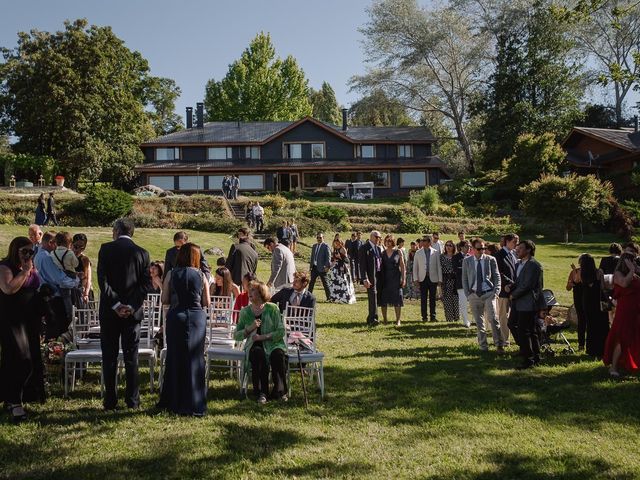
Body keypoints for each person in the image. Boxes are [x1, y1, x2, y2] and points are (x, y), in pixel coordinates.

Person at [97, 218, 152, 410]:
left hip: (110, 313)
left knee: (109, 357)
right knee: (131, 357)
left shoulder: (106, 249)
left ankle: (110, 400)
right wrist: (130, 306)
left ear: (116, 230)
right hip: (132, 314)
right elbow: (146, 285)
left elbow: (102, 282)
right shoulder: (143, 253)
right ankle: (133, 400)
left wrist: (116, 304)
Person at [158, 243, 210, 416]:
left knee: (175, 357)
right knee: (195, 358)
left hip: (176, 317)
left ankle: (173, 400)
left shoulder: (172, 274)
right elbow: (206, 302)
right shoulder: (201, 275)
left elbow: (164, 299)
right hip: (196, 318)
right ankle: (195, 401)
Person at [0, 237, 44, 421]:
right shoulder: (5, 267)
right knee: (20, 359)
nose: (28, 255)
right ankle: (14, 402)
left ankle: (14, 398)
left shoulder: (31, 267)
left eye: (30, 251)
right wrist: (25, 272)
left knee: (30, 359)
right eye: (24, 251)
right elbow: (8, 289)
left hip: (30, 320)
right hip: (11, 320)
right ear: (14, 250)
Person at [235, 281, 287, 404]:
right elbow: (236, 335)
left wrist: (263, 337)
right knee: (258, 354)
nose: (249, 292)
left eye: (253, 290)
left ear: (261, 293)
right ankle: (261, 392)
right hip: (254, 345)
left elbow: (281, 331)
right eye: (249, 290)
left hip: (273, 343)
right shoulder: (245, 312)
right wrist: (249, 328)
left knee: (278, 355)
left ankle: (279, 391)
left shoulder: (272, 309)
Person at [33, 231, 79, 338]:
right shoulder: (46, 257)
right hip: (55, 297)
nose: (57, 247)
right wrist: (76, 281)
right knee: (59, 329)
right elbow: (59, 279)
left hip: (49, 295)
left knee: (55, 329)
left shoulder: (39, 256)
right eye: (56, 243)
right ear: (50, 242)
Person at [462, 238, 504, 354]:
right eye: (479, 249)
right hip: (474, 294)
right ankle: (483, 346)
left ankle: (499, 345)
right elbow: (464, 279)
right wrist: (468, 294)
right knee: (479, 322)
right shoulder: (467, 261)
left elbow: (496, 276)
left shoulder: (491, 259)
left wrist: (496, 292)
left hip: (489, 293)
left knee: (493, 319)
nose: (482, 251)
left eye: (484, 248)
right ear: (473, 249)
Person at [603, 252, 640, 376]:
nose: (634, 263)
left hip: (635, 310)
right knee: (621, 338)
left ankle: (628, 363)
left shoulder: (634, 274)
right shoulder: (618, 274)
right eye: (632, 261)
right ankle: (613, 367)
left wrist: (634, 270)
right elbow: (624, 283)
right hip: (624, 311)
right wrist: (631, 270)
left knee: (634, 337)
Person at [510, 240, 545, 369]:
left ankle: (528, 359)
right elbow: (520, 282)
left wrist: (513, 294)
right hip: (521, 302)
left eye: (520, 248)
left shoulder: (533, 265)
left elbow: (527, 285)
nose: (517, 250)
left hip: (528, 302)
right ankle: (535, 356)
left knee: (525, 331)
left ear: (529, 250)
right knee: (530, 330)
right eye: (517, 248)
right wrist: (512, 286)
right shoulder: (521, 264)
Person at [579, 254, 610, 358]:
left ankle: (591, 349)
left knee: (591, 325)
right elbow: (603, 287)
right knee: (602, 325)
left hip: (588, 301)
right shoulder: (599, 272)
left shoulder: (582, 273)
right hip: (598, 300)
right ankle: (602, 348)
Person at [495, 233, 518, 347]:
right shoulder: (499, 255)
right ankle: (504, 340)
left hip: (513, 290)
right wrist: (510, 283)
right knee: (504, 316)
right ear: (507, 241)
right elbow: (499, 273)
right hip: (504, 291)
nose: (516, 244)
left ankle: (510, 338)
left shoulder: (513, 255)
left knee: (511, 316)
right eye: (514, 241)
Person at [413, 235, 442, 322]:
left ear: (429, 242)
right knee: (423, 299)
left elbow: (438, 266)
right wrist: (415, 279)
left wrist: (440, 279)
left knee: (433, 299)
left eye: (425, 240)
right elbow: (415, 267)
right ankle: (424, 317)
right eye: (422, 240)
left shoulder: (436, 252)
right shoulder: (418, 253)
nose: (423, 242)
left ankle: (433, 316)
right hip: (422, 278)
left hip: (433, 278)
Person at [380, 234, 406, 326]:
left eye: (390, 241)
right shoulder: (382, 253)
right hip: (385, 279)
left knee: (397, 299)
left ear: (393, 242)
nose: (388, 242)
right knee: (384, 299)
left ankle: (398, 320)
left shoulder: (398, 252)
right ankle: (385, 320)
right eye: (386, 240)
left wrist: (404, 279)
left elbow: (402, 266)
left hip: (396, 278)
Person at [359, 230, 383, 326]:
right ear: (371, 237)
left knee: (375, 297)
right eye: (376, 237)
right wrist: (364, 278)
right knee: (372, 297)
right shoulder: (364, 248)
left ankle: (372, 317)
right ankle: (373, 318)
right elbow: (362, 265)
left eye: (379, 237)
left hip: (377, 277)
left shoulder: (377, 248)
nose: (378, 239)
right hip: (370, 278)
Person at [327, 237, 356, 304]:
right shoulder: (335, 249)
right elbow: (334, 260)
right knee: (334, 283)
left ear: (340, 243)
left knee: (343, 283)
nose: (336, 244)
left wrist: (339, 257)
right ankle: (335, 297)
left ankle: (345, 298)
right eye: (335, 243)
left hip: (342, 268)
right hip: (336, 268)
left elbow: (346, 260)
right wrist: (330, 265)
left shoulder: (343, 249)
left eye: (338, 242)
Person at [566, 256, 586, 351]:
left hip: (589, 300)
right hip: (578, 300)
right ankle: (581, 344)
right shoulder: (574, 272)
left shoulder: (592, 272)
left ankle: (591, 344)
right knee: (581, 321)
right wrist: (571, 283)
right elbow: (568, 288)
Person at [439, 240, 459, 323]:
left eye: (450, 245)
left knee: (456, 299)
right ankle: (449, 318)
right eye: (447, 245)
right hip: (446, 280)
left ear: (453, 247)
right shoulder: (442, 256)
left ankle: (457, 318)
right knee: (447, 300)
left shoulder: (456, 256)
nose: (448, 246)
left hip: (455, 280)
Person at [453, 240, 471, 327]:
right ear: (461, 247)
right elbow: (455, 269)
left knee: (472, 303)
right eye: (467, 246)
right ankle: (465, 321)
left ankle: (473, 320)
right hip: (461, 284)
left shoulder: (471, 257)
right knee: (463, 303)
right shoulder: (456, 257)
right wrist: (467, 269)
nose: (469, 248)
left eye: (470, 246)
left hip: (471, 284)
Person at [71, 233, 93, 306]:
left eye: (82, 247)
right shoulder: (67, 257)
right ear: (72, 244)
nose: (78, 249)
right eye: (76, 246)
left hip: (82, 291)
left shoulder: (84, 259)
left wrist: (86, 294)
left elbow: (88, 279)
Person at [309, 232, 331, 301]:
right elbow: (312, 257)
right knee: (311, 283)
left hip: (322, 268)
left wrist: (327, 266)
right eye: (317, 237)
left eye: (320, 237)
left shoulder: (326, 246)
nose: (319, 239)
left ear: (323, 238)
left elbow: (328, 257)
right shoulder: (314, 246)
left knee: (325, 283)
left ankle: (329, 298)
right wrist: (310, 266)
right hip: (314, 267)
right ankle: (308, 297)